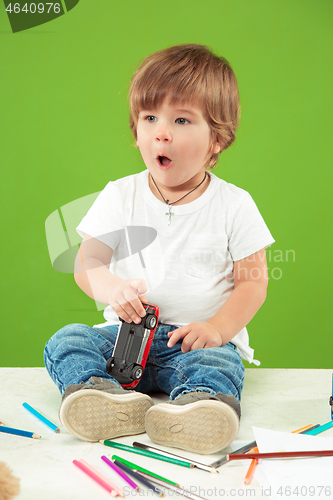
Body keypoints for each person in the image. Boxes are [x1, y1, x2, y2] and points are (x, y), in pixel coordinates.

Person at [44, 44, 274, 454]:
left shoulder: (234, 204)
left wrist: (217, 329)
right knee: (68, 340)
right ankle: (103, 394)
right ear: (137, 129)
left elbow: (253, 283)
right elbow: (87, 262)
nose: (161, 132)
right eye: (150, 118)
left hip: (195, 343)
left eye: (181, 120)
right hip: (124, 339)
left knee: (217, 364)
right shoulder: (120, 195)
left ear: (217, 140)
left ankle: (198, 406)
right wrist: (111, 289)